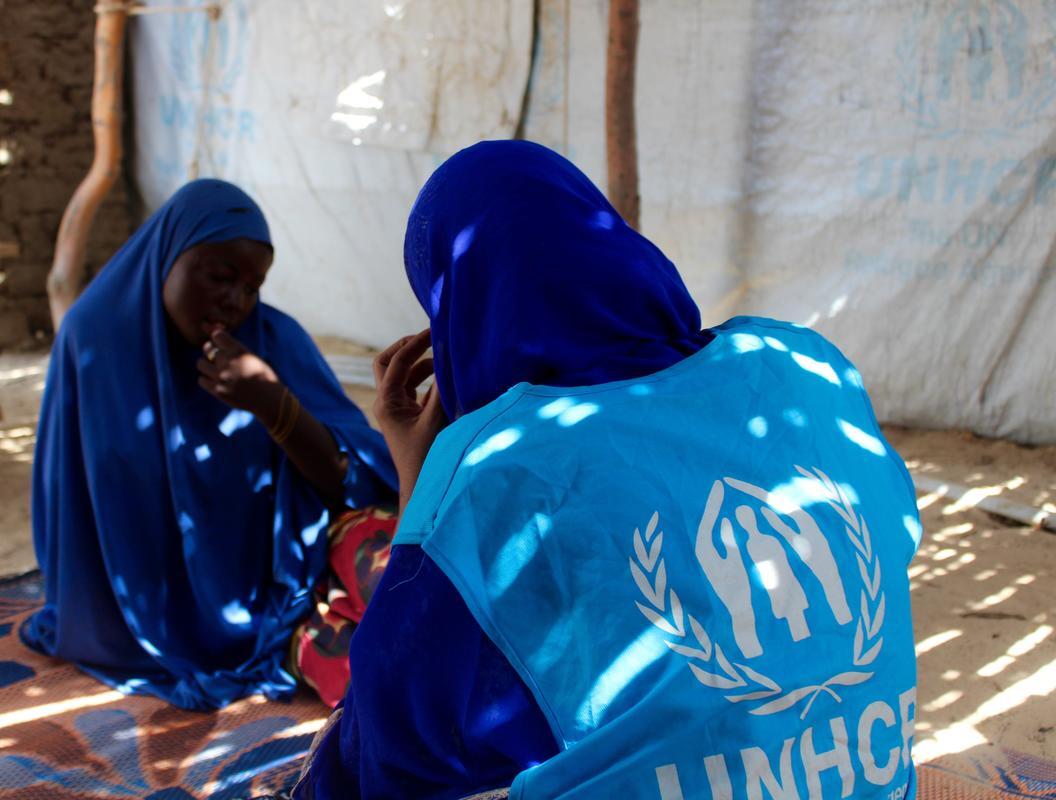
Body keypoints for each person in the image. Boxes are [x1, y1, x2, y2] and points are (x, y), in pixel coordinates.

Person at [296, 141, 921, 798]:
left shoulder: (494, 475)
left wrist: (424, 485)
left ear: (457, 316)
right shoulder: (803, 372)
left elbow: (395, 738)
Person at [23, 179, 397, 711]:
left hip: (297, 573)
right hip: (173, 612)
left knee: (409, 586)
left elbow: (351, 481)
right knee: (381, 678)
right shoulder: (93, 345)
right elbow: (69, 506)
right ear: (168, 254)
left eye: (253, 287)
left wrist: (271, 402)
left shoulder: (273, 341)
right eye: (222, 277)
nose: (237, 302)